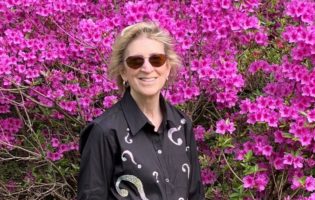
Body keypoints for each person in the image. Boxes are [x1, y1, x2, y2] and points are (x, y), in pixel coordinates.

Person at [78, 21, 205, 200]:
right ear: (123, 71)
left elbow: (195, 195)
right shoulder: (104, 131)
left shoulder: (182, 125)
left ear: (167, 67)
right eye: (136, 61)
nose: (147, 68)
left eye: (156, 59)